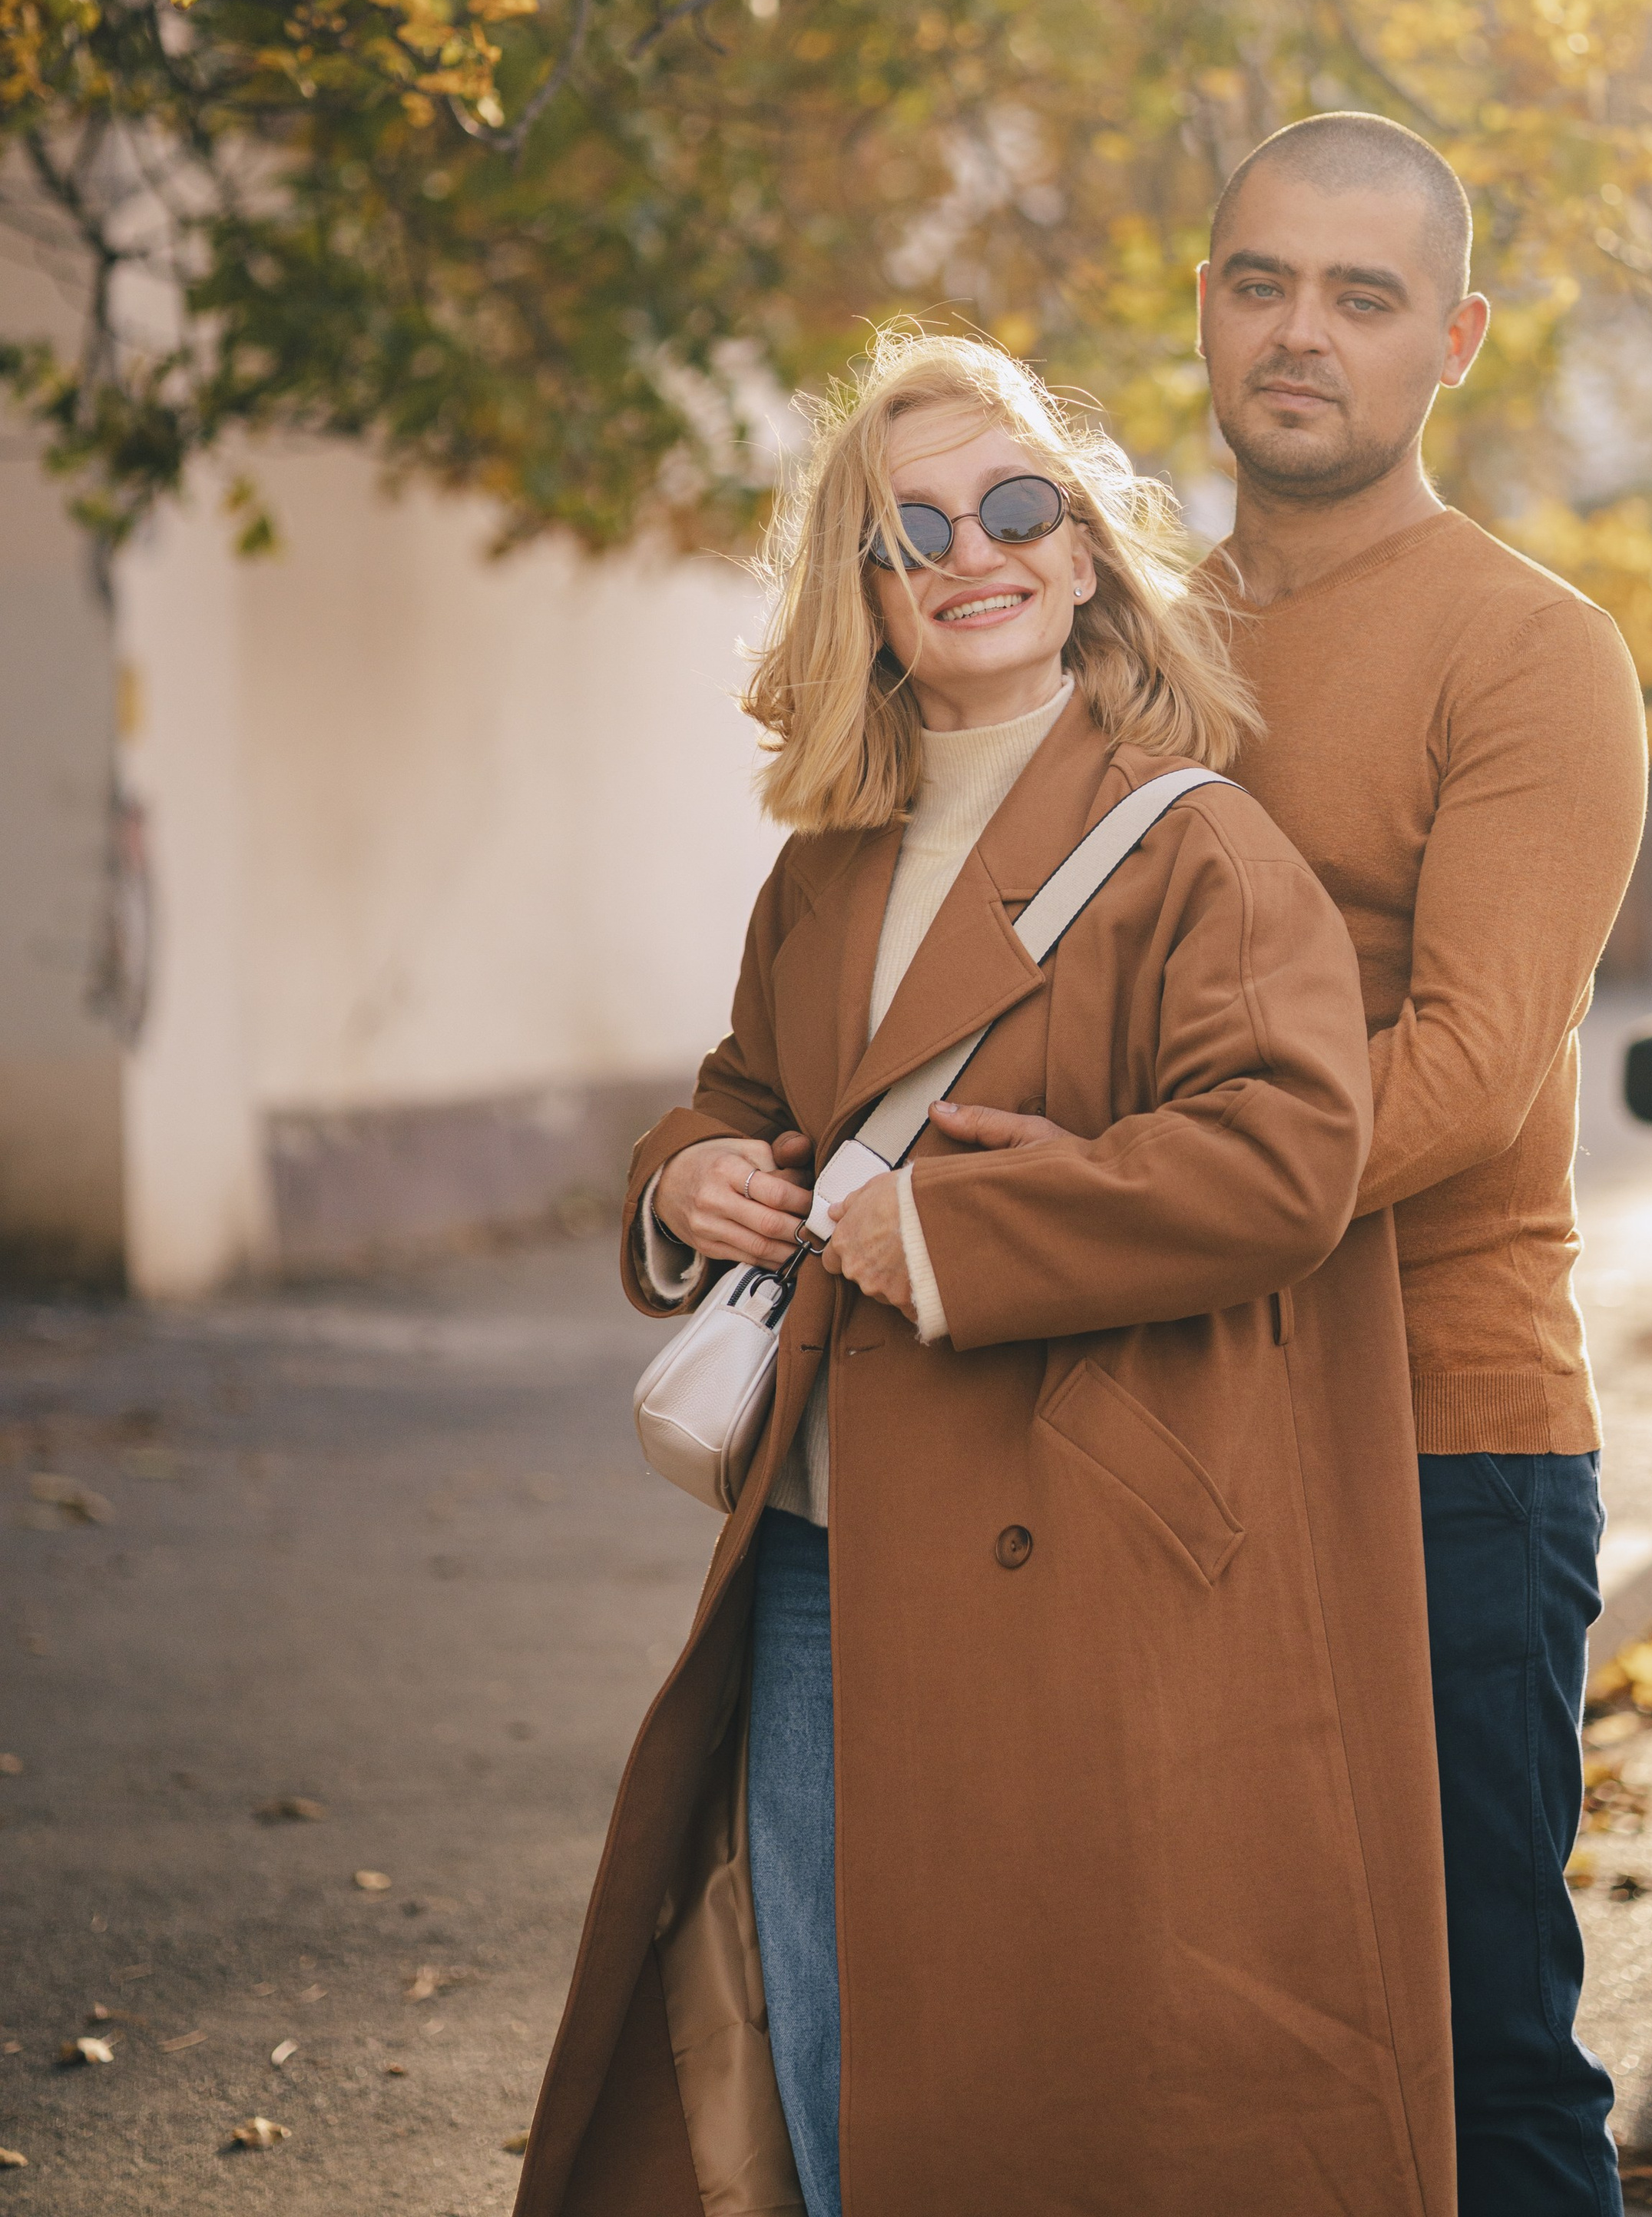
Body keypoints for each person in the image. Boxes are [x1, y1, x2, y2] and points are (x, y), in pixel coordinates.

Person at [514, 330, 1455, 2217]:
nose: (973, 549)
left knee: (1040, 2073)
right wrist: (687, 1173)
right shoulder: (828, 859)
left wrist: (950, 1233)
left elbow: (1287, 1155)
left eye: (1015, 505)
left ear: (1087, 547)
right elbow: (745, 1090)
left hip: (1062, 1541)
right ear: (861, 592)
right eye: (910, 525)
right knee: (831, 2046)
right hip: (810, 1541)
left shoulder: (1197, 843)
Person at [1188, 111, 1650, 2217]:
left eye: (1361, 297)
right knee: (1210, 2047)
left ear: (1450, 338)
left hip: (1443, 1447)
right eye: (1261, 280)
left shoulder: (1524, 644)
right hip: (1169, 1424)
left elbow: (1467, 1068)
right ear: (1207, 301)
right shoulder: (1124, 636)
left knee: (1475, 2062)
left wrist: (1111, 1214)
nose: (1302, 334)